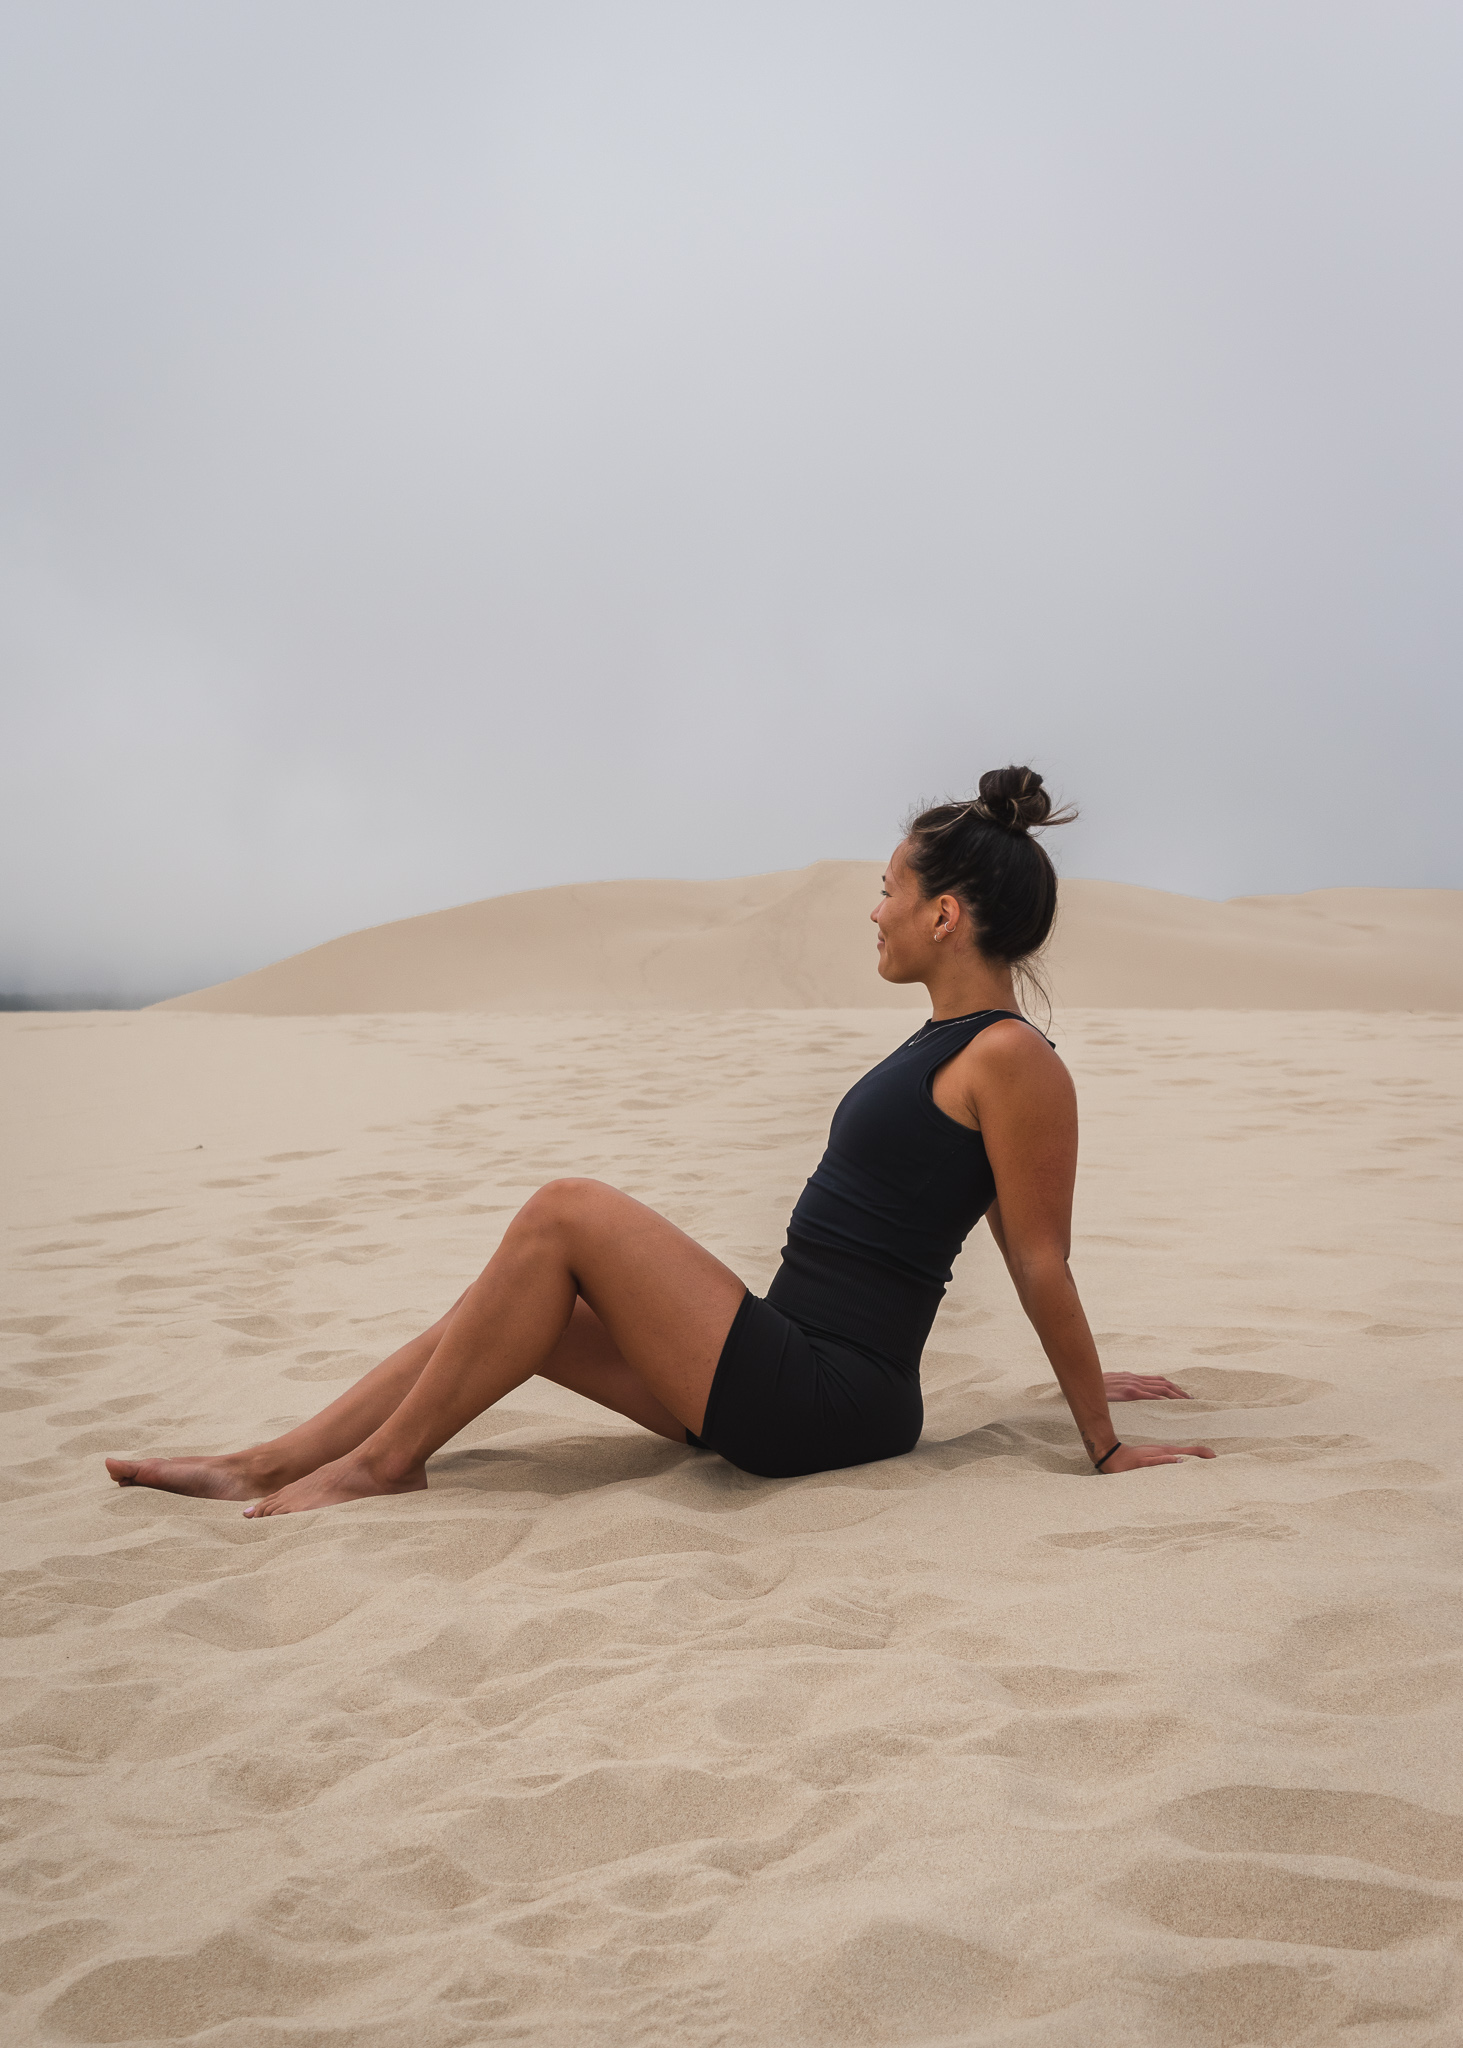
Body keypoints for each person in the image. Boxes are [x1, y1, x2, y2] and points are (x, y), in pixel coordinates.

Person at [107, 765, 1213, 1516]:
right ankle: (272, 1456)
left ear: (944, 914)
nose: (870, 911)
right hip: (782, 1357)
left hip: (827, 1398)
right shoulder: (951, 1045)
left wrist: (1100, 1436)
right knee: (516, 1304)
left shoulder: (1011, 1058)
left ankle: (383, 1463)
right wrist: (1089, 1371)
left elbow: (1035, 1254)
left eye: (887, 890)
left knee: (564, 1208)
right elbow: (991, 1220)